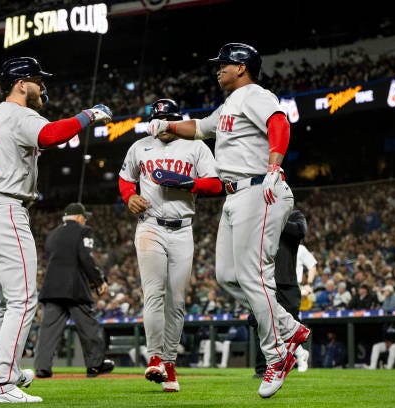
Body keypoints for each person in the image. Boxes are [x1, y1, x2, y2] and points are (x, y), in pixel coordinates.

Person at [146, 43, 308, 398]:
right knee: (227, 276)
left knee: (253, 275)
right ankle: (288, 328)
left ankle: (277, 354)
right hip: (234, 194)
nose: (218, 69)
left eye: (224, 64)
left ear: (242, 67)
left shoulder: (255, 94)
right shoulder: (230, 104)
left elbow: (278, 123)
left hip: (258, 186)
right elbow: (201, 127)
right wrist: (170, 126)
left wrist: (275, 165)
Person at [0, 56, 112, 403]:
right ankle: (0, 384)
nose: (43, 86)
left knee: (3, 302)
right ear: (20, 84)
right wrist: (87, 115)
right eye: (37, 80)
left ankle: (9, 372)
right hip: (6, 210)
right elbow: (50, 134)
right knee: (22, 300)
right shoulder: (19, 114)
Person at [118, 98, 221, 392]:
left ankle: (170, 364)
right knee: (154, 292)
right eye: (159, 122)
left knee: (176, 302)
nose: (163, 127)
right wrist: (129, 198)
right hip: (150, 226)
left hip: (183, 229)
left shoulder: (196, 146)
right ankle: (154, 358)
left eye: (168, 121)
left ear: (177, 120)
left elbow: (215, 183)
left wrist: (187, 184)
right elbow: (125, 179)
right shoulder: (140, 146)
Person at [33, 202, 115, 379]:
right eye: (84, 218)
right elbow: (85, 258)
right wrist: (98, 280)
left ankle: (42, 367)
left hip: (52, 287)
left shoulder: (52, 235)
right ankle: (94, 365)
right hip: (75, 288)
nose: (85, 221)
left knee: (48, 330)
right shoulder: (83, 231)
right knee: (89, 327)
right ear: (79, 217)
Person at [248, 209, 311, 379]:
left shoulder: (294, 216)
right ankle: (262, 369)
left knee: (289, 326)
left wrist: (272, 218)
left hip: (288, 283)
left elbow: (300, 230)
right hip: (265, 281)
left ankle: (295, 357)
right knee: (261, 324)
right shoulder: (261, 216)